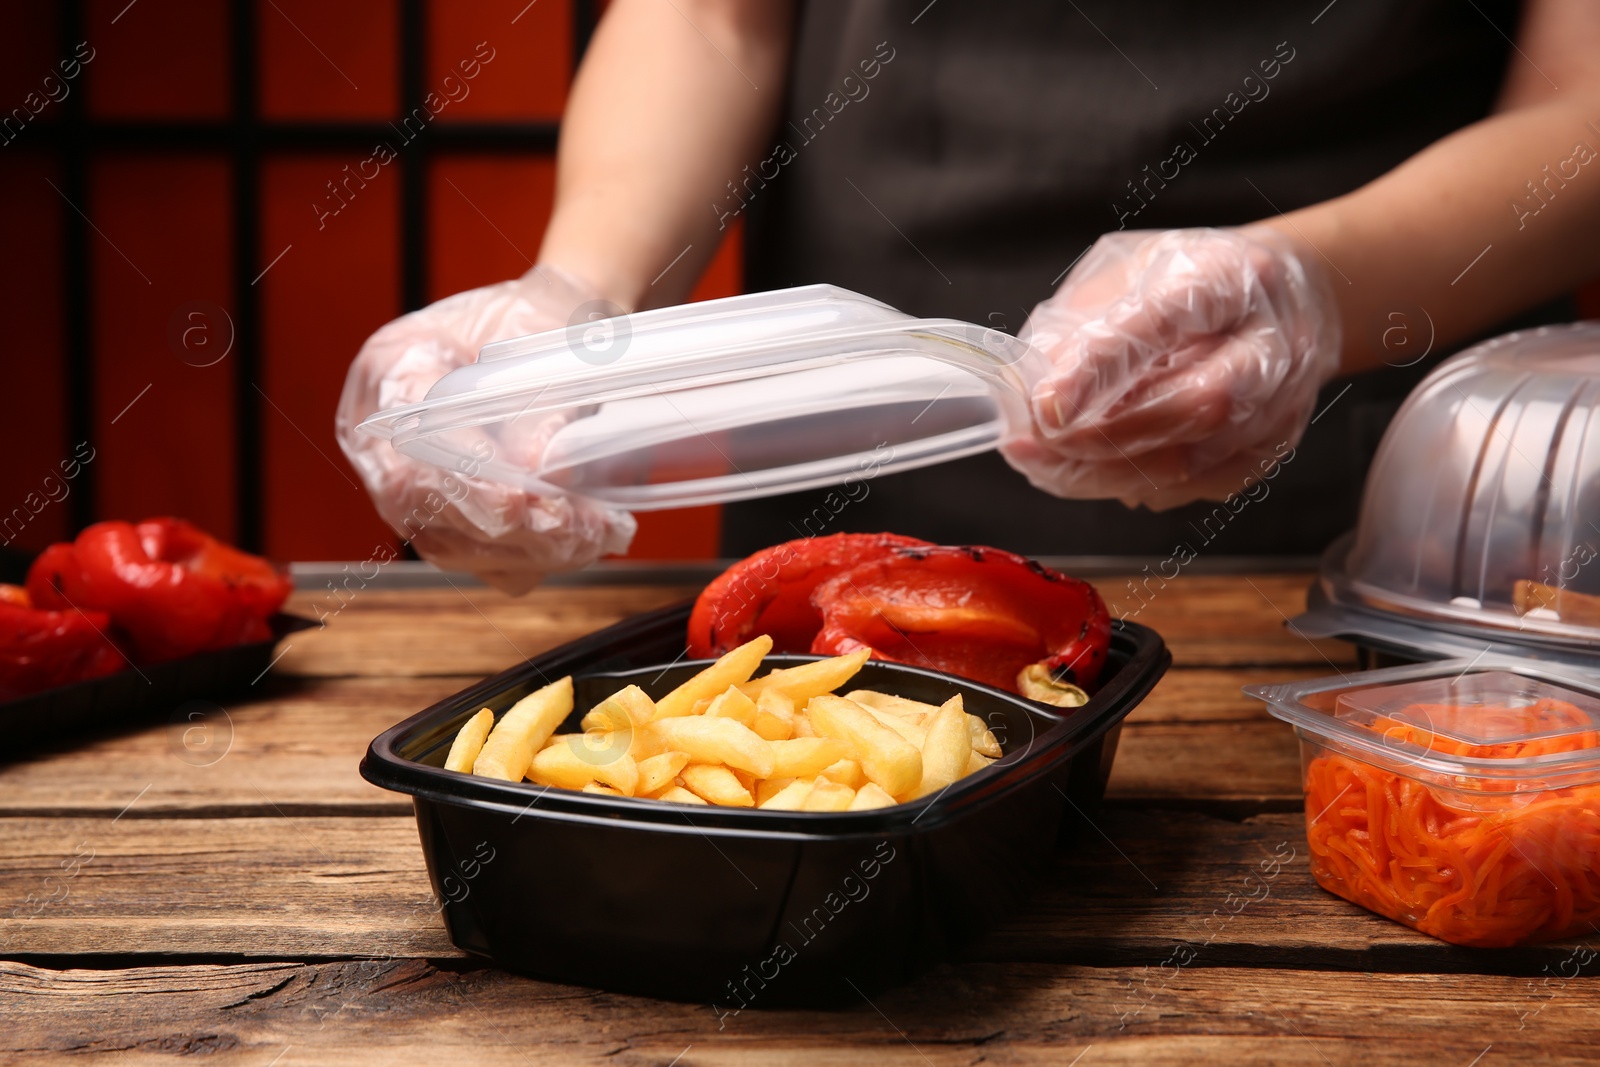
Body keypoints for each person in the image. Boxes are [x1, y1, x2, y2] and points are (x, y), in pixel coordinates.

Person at [337, 0, 1600, 593]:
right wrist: (575, 297)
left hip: (1347, 536)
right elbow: (712, 22)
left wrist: (1316, 289)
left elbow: (1580, 112)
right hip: (831, 523)